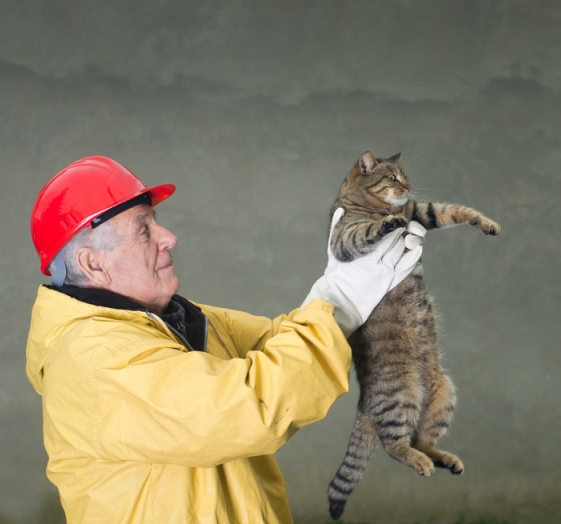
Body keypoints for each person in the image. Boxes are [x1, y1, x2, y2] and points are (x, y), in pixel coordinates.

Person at [25, 156, 425, 523]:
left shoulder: (173, 321)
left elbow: (277, 347)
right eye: (143, 230)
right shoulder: (96, 358)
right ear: (92, 263)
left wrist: (333, 295)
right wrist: (340, 303)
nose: (168, 237)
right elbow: (248, 405)